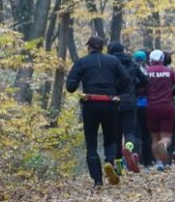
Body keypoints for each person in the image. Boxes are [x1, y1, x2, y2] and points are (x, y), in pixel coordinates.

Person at [66, 35, 131, 187]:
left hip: (90, 103)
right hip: (110, 103)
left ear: (89, 47)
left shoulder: (82, 62)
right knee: (110, 138)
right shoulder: (113, 61)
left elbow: (70, 87)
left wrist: (80, 81)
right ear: (102, 47)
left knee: (91, 142)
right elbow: (126, 79)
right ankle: (109, 162)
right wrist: (116, 91)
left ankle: (97, 180)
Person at [109, 43, 148, 168]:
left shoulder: (109, 64)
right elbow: (145, 80)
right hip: (130, 102)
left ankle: (119, 167)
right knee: (129, 131)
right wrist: (135, 88)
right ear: (123, 50)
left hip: (113, 102)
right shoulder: (133, 64)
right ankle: (129, 147)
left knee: (116, 135)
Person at [145, 49, 175, 169]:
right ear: (162, 59)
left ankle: (159, 163)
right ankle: (163, 145)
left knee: (154, 138)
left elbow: (141, 86)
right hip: (167, 106)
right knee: (166, 136)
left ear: (150, 59)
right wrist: (172, 94)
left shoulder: (147, 71)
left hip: (151, 107)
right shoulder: (169, 71)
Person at [133, 50, 155, 168]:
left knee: (134, 133)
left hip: (134, 105)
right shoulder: (149, 71)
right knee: (147, 134)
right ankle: (147, 161)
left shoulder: (131, 69)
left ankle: (134, 156)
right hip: (148, 105)